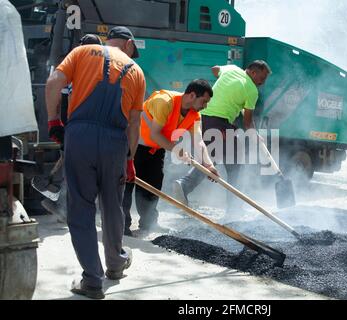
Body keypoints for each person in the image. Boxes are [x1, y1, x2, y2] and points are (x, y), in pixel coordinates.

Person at [45, 26, 146, 299]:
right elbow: (134, 123)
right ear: (128, 45)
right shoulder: (136, 71)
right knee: (113, 205)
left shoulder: (81, 52)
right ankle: (116, 264)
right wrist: (130, 159)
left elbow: (54, 82)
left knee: (81, 208)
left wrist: (54, 121)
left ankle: (92, 280)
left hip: (80, 136)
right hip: (116, 142)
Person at [173, 60, 271, 215]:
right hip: (218, 121)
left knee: (212, 157)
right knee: (235, 163)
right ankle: (233, 208)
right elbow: (247, 122)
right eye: (262, 78)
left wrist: (226, 90)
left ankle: (184, 185)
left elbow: (214, 69)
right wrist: (255, 135)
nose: (262, 82)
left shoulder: (231, 69)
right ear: (253, 72)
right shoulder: (252, 90)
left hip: (202, 117)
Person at [122, 80, 218, 235]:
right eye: (204, 101)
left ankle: (148, 223)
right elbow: (155, 133)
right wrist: (177, 150)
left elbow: (198, 140)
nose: (205, 106)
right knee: (126, 184)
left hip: (156, 150)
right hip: (134, 146)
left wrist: (208, 165)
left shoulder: (195, 115)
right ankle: (121, 225)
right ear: (192, 95)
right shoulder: (165, 102)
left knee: (153, 186)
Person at [41, 34, 103, 223]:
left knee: (77, 168)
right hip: (86, 127)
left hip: (79, 126)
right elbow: (63, 98)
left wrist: (57, 123)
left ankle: (65, 205)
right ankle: (65, 206)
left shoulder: (74, 65)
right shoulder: (100, 68)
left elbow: (62, 99)